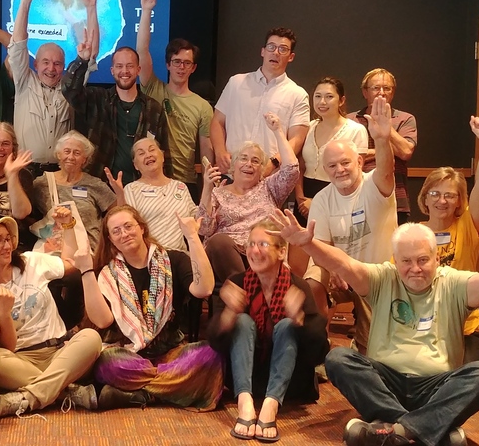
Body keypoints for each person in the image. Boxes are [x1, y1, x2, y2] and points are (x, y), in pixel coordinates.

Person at [272, 210, 479, 446]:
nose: (415, 268)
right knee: (339, 359)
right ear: (395, 260)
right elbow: (344, 264)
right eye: (406, 261)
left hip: (436, 387)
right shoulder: (383, 279)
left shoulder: (454, 283)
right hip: (385, 382)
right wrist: (309, 243)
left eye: (423, 260)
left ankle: (392, 431)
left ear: (437, 258)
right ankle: (431, 431)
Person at [83, 205, 223, 411]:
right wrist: (85, 270)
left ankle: (139, 395)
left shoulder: (173, 260)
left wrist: (192, 237)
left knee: (211, 354)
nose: (124, 234)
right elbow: (102, 321)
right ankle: (174, 387)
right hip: (129, 354)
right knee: (108, 362)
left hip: (170, 352)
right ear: (111, 240)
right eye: (116, 231)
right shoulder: (107, 275)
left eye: (128, 226)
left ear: (141, 228)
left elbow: (205, 289)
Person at [0, 210, 103, 419]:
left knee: (91, 337)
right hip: (22, 360)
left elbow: (70, 262)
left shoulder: (30, 261)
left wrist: (67, 225)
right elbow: (9, 347)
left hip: (60, 352)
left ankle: (26, 398)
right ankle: (67, 392)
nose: (6, 246)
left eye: (7, 239)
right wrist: (3, 313)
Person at [216, 219, 328, 442]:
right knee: (243, 321)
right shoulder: (236, 283)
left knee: (286, 325)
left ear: (281, 252)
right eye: (250, 244)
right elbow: (215, 347)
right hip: (245, 380)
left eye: (263, 244)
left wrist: (299, 320)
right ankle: (245, 404)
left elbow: (320, 352)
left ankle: (270, 406)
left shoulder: (298, 286)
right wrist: (228, 315)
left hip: (289, 384)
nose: (254, 251)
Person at [304, 97, 398, 354]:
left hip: (378, 276)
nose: (340, 170)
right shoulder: (322, 199)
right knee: (313, 277)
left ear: (359, 162)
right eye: (332, 166)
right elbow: (319, 246)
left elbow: (387, 170)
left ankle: (365, 345)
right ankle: (318, 348)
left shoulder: (375, 184)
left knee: (371, 351)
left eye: (345, 162)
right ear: (325, 170)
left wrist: (382, 138)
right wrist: (332, 267)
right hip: (341, 276)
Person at [198, 113, 300, 311]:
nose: (249, 164)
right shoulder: (217, 193)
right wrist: (207, 189)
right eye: (243, 159)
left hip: (264, 252)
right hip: (228, 257)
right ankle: (253, 297)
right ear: (233, 165)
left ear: (262, 170)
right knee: (219, 241)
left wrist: (278, 131)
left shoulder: (269, 188)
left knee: (267, 245)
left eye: (255, 161)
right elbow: (204, 229)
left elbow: (292, 169)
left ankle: (247, 301)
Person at [0, 0, 99, 176]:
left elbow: (91, 53)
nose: (51, 68)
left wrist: (90, 9)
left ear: (64, 66)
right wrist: (26, 0)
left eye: (57, 63)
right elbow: (18, 45)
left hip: (62, 172)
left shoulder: (71, 87)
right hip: (25, 170)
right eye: (45, 62)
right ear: (35, 64)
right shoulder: (24, 81)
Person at [420, 117, 479, 362]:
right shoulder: (413, 232)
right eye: (435, 193)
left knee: (473, 381)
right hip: (424, 326)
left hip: (465, 325)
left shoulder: (467, 226)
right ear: (425, 197)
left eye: (450, 196)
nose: (442, 201)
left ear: (459, 201)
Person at [63, 31, 171, 185]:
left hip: (142, 188)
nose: (124, 71)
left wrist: (167, 186)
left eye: (130, 66)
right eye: (119, 66)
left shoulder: (153, 108)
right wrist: (82, 60)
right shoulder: (97, 99)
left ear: (138, 70)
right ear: (112, 71)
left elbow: (164, 153)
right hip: (100, 186)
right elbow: (69, 90)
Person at [137, 0, 214, 201]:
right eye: (177, 62)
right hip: (151, 177)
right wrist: (146, 11)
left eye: (186, 63)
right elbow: (142, 51)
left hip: (184, 182)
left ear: (193, 68)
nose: (181, 67)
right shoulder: (154, 89)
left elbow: (206, 148)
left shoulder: (203, 107)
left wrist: (209, 184)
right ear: (168, 65)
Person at [211, 27, 310, 172]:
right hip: (232, 172)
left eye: (283, 49)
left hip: (270, 176)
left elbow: (296, 140)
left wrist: (274, 162)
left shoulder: (297, 94)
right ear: (263, 51)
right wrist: (220, 153)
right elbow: (217, 122)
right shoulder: (236, 83)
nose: (276, 52)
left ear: (291, 57)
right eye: (271, 47)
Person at [295, 77, 368, 225]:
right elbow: (299, 166)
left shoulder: (355, 130)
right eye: (318, 96)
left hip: (338, 196)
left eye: (329, 97)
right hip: (304, 199)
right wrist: (300, 198)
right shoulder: (308, 127)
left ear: (341, 101)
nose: (322, 102)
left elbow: (355, 174)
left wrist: (315, 202)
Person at [349, 68, 417, 224]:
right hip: (357, 196)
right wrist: (383, 151)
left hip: (395, 196)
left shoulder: (405, 119)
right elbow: (348, 159)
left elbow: (406, 151)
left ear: (393, 93)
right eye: (375, 88)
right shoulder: (350, 120)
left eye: (387, 88)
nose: (381, 92)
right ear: (365, 92)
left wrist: (385, 125)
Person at [107, 137, 197, 252]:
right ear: (135, 165)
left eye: (152, 150)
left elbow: (197, 220)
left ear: (162, 156)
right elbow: (125, 222)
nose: (148, 155)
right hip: (150, 255)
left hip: (180, 255)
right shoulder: (132, 189)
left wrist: (208, 188)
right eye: (141, 153)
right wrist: (120, 195)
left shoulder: (180, 187)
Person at [32, 130, 116, 248]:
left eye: (77, 153)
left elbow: (119, 212)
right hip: (55, 251)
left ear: (85, 160)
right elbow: (24, 212)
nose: (71, 157)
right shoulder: (42, 183)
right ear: (58, 154)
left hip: (89, 250)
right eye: (67, 151)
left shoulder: (95, 184)